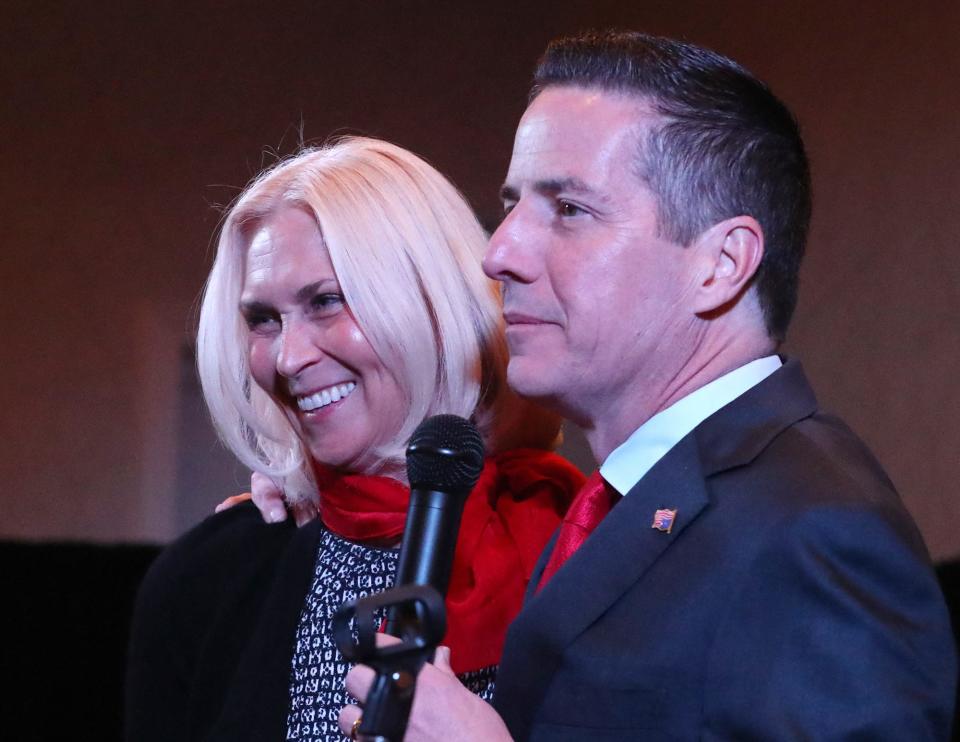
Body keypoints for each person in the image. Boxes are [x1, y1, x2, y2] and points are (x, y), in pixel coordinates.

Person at [338, 30, 958, 740]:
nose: (500, 251)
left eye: (568, 208)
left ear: (722, 264)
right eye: (512, 204)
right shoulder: (620, 504)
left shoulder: (816, 530)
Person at [124, 137, 584, 742]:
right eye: (263, 319)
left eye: (326, 302)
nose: (287, 358)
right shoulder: (209, 578)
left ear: (430, 303)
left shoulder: (585, 552)